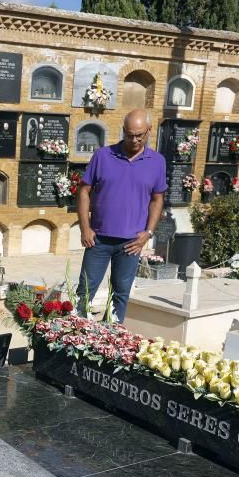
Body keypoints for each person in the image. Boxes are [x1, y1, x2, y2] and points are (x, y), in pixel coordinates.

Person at [74, 109, 166, 323]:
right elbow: (84, 191)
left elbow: (157, 199)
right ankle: (75, 337)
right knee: (84, 292)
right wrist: (84, 228)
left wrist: (148, 233)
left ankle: (110, 341)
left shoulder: (157, 161)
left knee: (120, 295)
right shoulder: (103, 156)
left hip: (131, 243)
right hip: (98, 240)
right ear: (123, 130)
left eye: (140, 135)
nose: (134, 139)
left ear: (149, 131)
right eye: (129, 134)